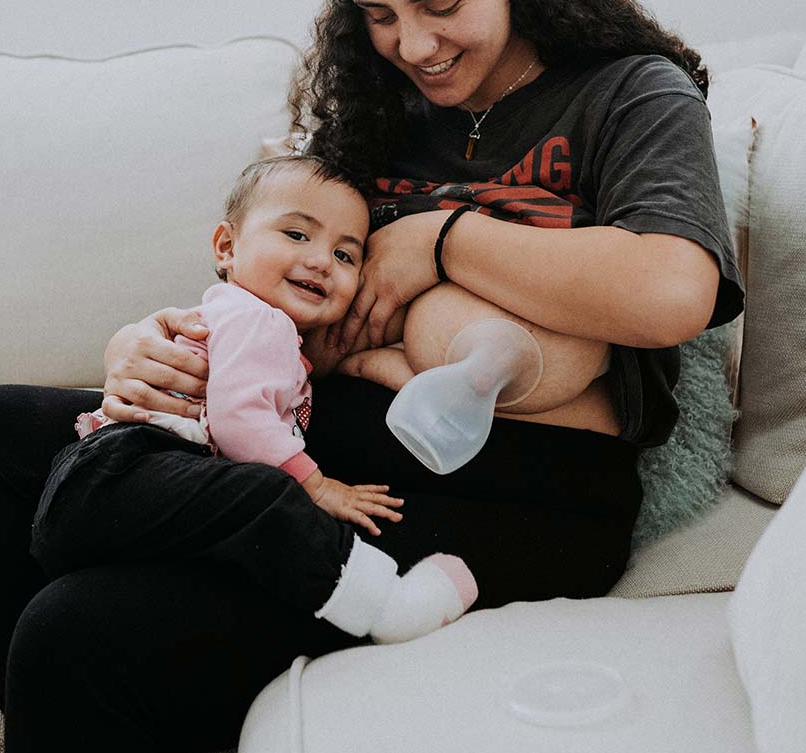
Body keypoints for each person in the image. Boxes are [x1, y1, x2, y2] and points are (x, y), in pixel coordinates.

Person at [0, 0, 744, 753]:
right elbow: (281, 276)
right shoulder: (378, 108)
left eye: (443, 2)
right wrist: (147, 343)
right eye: (379, 14)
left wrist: (439, 235)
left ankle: (87, 687)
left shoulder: (627, 94)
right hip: (317, 429)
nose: (414, 43)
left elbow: (673, 291)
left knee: (79, 627)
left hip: (521, 489)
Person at [28, 154, 479, 646]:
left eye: (346, 256)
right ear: (226, 246)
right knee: (267, 495)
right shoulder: (260, 321)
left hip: (109, 482)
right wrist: (318, 485)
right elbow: (240, 422)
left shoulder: (246, 320)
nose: (321, 261)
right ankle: (383, 604)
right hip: (123, 470)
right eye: (297, 235)